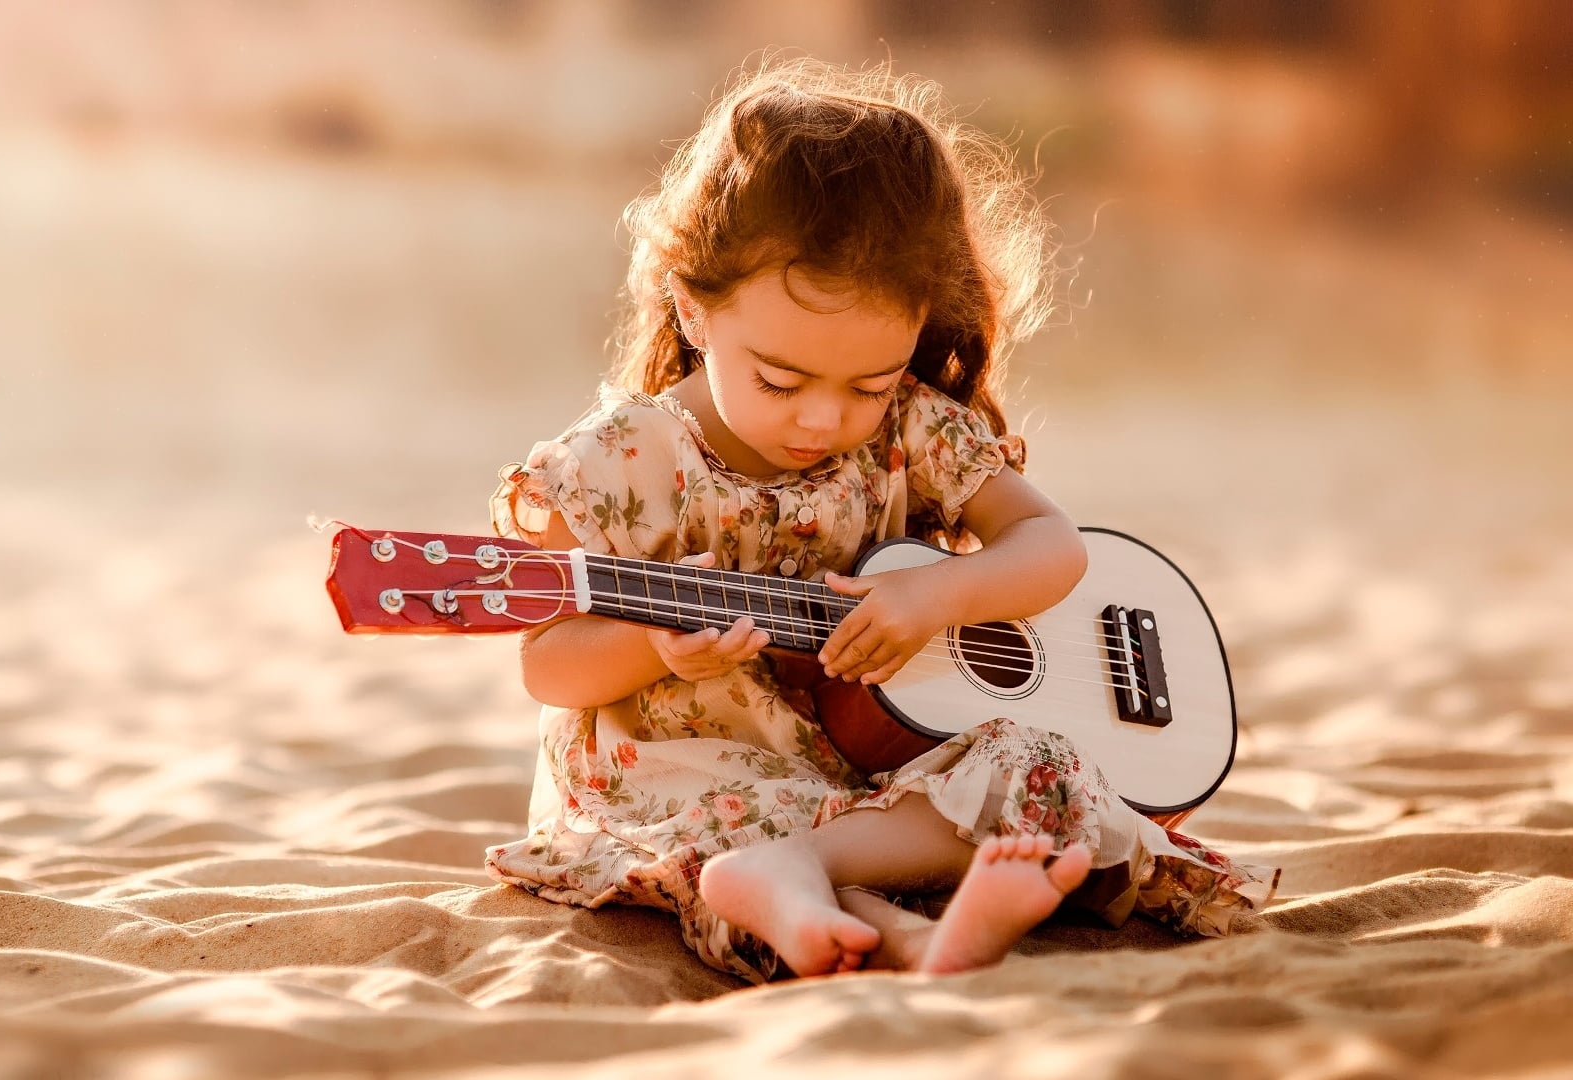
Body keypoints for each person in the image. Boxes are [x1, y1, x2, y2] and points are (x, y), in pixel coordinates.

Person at [484, 59, 1279, 984]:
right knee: (747, 815)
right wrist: (656, 648)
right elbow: (548, 660)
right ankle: (871, 918)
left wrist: (938, 595)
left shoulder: (909, 425)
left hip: (870, 778)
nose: (823, 419)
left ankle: (821, 890)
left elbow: (1051, 546)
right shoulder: (618, 463)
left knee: (1044, 765)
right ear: (695, 309)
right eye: (780, 380)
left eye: (865, 383)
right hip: (685, 767)